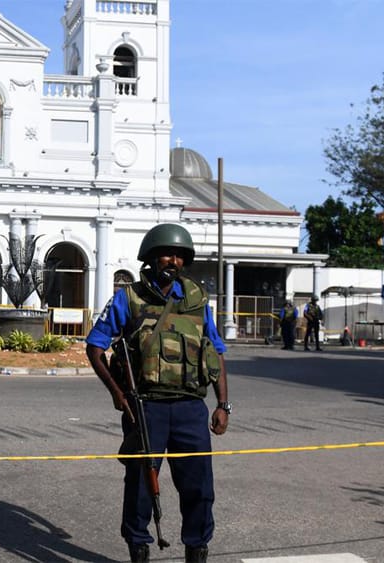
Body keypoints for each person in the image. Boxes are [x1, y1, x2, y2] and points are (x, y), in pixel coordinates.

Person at [85, 224, 229, 563]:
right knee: (140, 487)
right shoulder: (129, 298)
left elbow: (217, 352)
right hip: (146, 407)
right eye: (166, 253)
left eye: (179, 255)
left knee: (199, 488)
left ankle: (197, 549)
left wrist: (223, 404)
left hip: (191, 408)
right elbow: (94, 347)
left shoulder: (196, 300)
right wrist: (117, 393)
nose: (173, 260)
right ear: (150, 257)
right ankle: (138, 548)